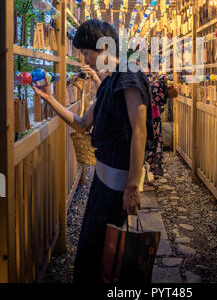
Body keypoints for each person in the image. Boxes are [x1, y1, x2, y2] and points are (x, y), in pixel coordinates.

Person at [31, 20, 154, 283]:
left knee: (106, 258)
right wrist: (50, 98)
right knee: (92, 254)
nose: (86, 60)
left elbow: (139, 130)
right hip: (102, 183)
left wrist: (133, 186)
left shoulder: (129, 74)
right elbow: (83, 124)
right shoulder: (109, 82)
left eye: (88, 53)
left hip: (118, 187)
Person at [145, 72, 168, 178]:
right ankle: (150, 171)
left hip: (152, 116)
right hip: (151, 115)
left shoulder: (155, 82)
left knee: (152, 142)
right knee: (152, 142)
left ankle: (150, 171)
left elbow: (157, 101)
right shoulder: (153, 81)